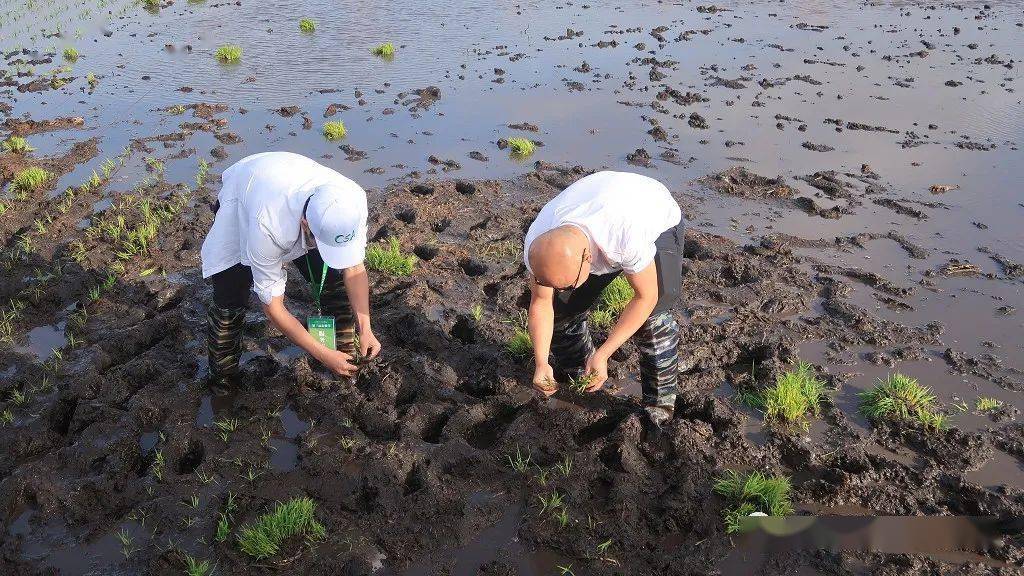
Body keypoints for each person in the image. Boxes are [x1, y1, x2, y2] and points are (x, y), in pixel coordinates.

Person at [200, 151, 381, 389]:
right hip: (246, 194)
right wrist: (321, 354)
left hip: (293, 182)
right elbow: (273, 307)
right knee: (230, 303)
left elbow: (354, 269)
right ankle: (222, 380)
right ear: (306, 225)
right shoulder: (266, 226)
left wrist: (365, 328)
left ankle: (345, 359)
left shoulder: (351, 202)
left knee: (335, 286)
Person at [524, 171, 685, 426]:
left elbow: (645, 297)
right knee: (561, 308)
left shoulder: (625, 238)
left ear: (588, 259)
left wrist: (603, 354)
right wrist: (541, 362)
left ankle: (659, 407)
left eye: (566, 284)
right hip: (600, 200)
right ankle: (580, 374)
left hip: (653, 210)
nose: (561, 288)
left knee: (654, 318)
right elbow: (541, 303)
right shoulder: (538, 242)